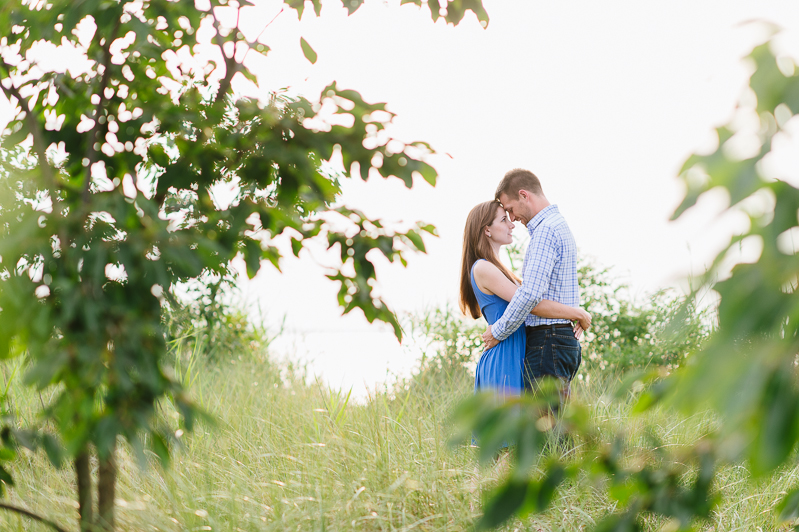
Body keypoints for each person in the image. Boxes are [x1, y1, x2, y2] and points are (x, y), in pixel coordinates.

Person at [460, 200, 591, 398]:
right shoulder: (483, 268)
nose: (511, 224)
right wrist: (578, 313)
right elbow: (531, 303)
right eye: (504, 219)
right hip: (504, 357)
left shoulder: (500, 270)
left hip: (516, 353)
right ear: (487, 230)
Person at [481, 169, 583, 401]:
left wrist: (497, 332)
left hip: (548, 342)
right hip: (557, 341)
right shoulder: (556, 225)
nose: (513, 218)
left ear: (524, 195)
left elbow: (530, 294)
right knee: (556, 429)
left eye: (510, 209)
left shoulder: (545, 231)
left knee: (546, 431)